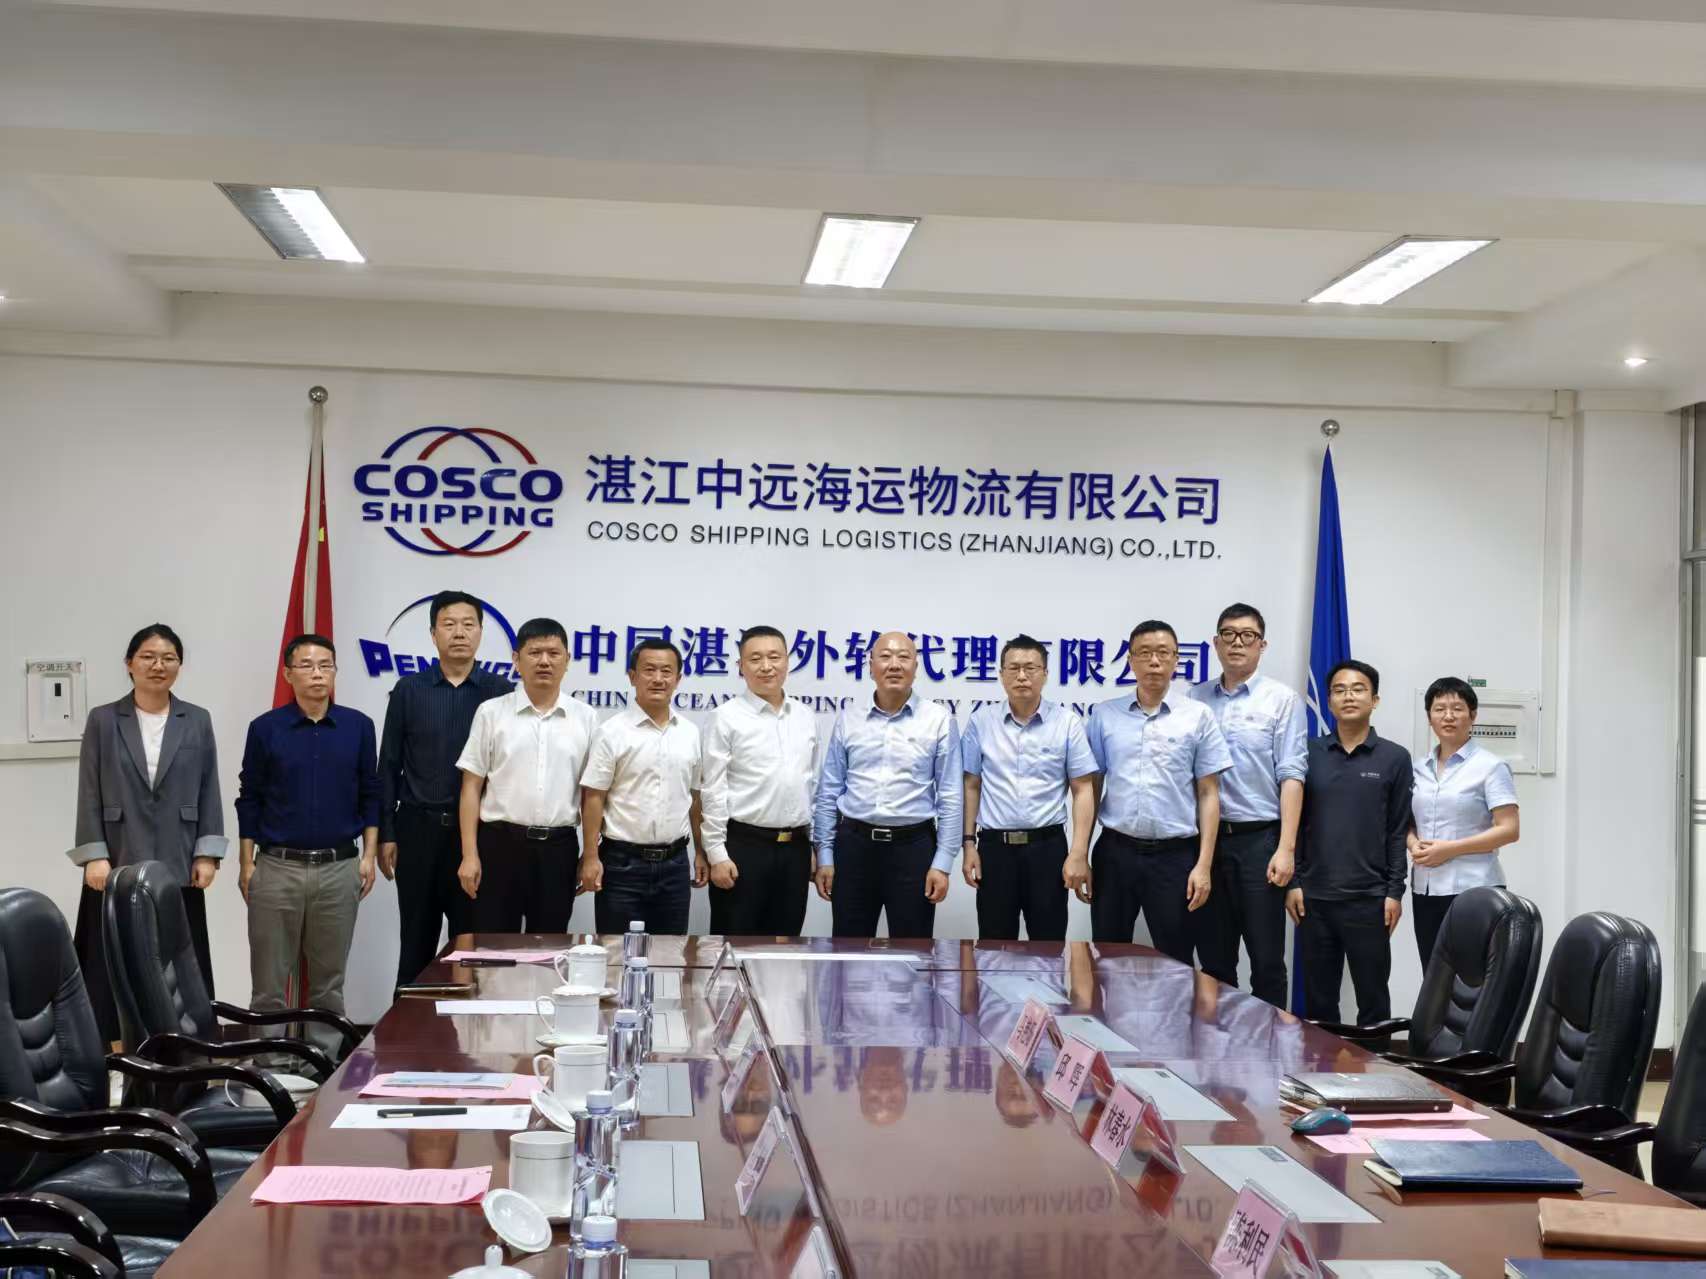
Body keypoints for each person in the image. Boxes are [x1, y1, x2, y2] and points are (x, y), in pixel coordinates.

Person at [69, 623, 226, 1041]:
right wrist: (93, 854)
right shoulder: (104, 719)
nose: (159, 665)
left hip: (180, 854)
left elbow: (209, 786)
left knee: (181, 961)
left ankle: (185, 1047)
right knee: (110, 962)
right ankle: (112, 1051)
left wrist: (207, 852)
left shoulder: (196, 719)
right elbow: (89, 790)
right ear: (129, 664)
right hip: (116, 854)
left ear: (179, 665)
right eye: (148, 657)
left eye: (168, 658)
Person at [236, 634, 378, 1058]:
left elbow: (371, 794)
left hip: (339, 866)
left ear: (335, 672)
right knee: (268, 981)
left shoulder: (358, 726)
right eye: (307, 665)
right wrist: (246, 863)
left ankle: (321, 1063)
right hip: (277, 867)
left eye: (325, 665)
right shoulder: (265, 728)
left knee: (328, 983)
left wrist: (369, 855)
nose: (318, 674)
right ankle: (269, 1063)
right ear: (288, 674)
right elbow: (250, 797)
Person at [377, 590, 511, 985]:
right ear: (433, 633)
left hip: (481, 836)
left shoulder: (501, 692)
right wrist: (387, 832)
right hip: (417, 830)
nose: (459, 633)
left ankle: (467, 1024)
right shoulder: (409, 689)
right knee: (415, 941)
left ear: (481, 632)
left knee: (472, 944)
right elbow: (389, 765)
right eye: (449, 624)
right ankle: (405, 1024)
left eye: (468, 624)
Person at [1085, 620, 1231, 966]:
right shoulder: (1105, 715)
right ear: (1130, 660)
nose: (1154, 661)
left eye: (1163, 653)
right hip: (1115, 853)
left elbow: (1209, 793)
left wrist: (1204, 865)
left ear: (1176, 660)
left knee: (1176, 961)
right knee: (1106, 958)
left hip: (1175, 858)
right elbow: (1091, 787)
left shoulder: (1197, 716)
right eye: (1145, 653)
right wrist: (1081, 853)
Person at [1188, 603, 1308, 1006]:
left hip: (1260, 842)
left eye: (1247, 636)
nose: (1237, 643)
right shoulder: (1196, 698)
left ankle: (1269, 1043)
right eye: (1228, 634)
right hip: (1206, 845)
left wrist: (1286, 848)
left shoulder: (1282, 700)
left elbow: (1292, 776)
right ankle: (1217, 1039)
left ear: (1262, 645)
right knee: (1214, 958)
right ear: (1215, 642)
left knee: (1266, 959)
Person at [812, 632, 962, 940]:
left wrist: (943, 863)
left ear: (916, 667)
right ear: (870, 666)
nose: (894, 664)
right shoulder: (849, 718)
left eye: (904, 657)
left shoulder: (937, 719)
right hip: (854, 847)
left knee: (913, 951)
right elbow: (829, 791)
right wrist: (825, 855)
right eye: (885, 656)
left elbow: (950, 796)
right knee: (848, 950)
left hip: (913, 849)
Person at [1287, 659, 1412, 1026]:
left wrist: (1394, 891)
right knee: (1319, 1002)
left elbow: (1397, 830)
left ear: (1375, 700)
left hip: (1370, 900)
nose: (1349, 696)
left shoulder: (1395, 758)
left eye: (1358, 689)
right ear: (1328, 702)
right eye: (1339, 690)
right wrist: (1294, 883)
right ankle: (1320, 1064)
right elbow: (1294, 825)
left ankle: (1376, 1064)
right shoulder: (1308, 753)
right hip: (1314, 899)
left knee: (1373, 1000)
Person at [455, 617, 595, 934]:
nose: (544, 661)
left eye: (553, 653)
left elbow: (591, 794)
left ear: (567, 660)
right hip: (498, 846)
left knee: (549, 946)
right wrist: (469, 855)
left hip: (557, 850)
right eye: (534, 653)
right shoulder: (491, 712)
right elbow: (471, 787)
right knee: (493, 947)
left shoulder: (585, 718)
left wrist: (590, 854)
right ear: (516, 660)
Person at [960, 634, 1097, 942]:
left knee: (1048, 945)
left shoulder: (1066, 723)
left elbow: (1083, 789)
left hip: (1047, 850)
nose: (1022, 676)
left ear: (1045, 674)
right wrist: (968, 845)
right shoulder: (981, 722)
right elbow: (971, 785)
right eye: (1013, 668)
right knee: (995, 946)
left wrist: (1078, 852)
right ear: (1001, 674)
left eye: (1031, 668)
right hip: (995, 850)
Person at [579, 639, 706, 934]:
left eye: (666, 671)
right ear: (632, 676)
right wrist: (590, 857)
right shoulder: (611, 732)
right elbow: (594, 797)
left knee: (670, 953)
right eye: (649, 670)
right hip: (622, 865)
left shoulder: (690, 733)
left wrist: (700, 851)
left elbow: (695, 798)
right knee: (617, 951)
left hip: (675, 865)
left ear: (678, 679)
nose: (658, 678)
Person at [700, 625, 819, 937]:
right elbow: (713, 789)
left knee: (785, 945)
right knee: (734, 945)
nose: (766, 666)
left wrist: (813, 846)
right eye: (755, 659)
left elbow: (812, 785)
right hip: (743, 848)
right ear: (741, 666)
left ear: (787, 661)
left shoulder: (805, 716)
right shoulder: (725, 717)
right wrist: (716, 853)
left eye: (774, 657)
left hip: (795, 850)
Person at [1408, 676, 1521, 965]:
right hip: (1426, 889)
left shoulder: (1490, 766)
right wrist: (1412, 843)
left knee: (1473, 978)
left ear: (1472, 715)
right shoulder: (1418, 768)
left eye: (1457, 708)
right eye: (1439, 709)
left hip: (1474, 889)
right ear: (1429, 717)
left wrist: (1450, 849)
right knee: (1434, 976)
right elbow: (1408, 822)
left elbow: (1509, 829)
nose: (1448, 716)